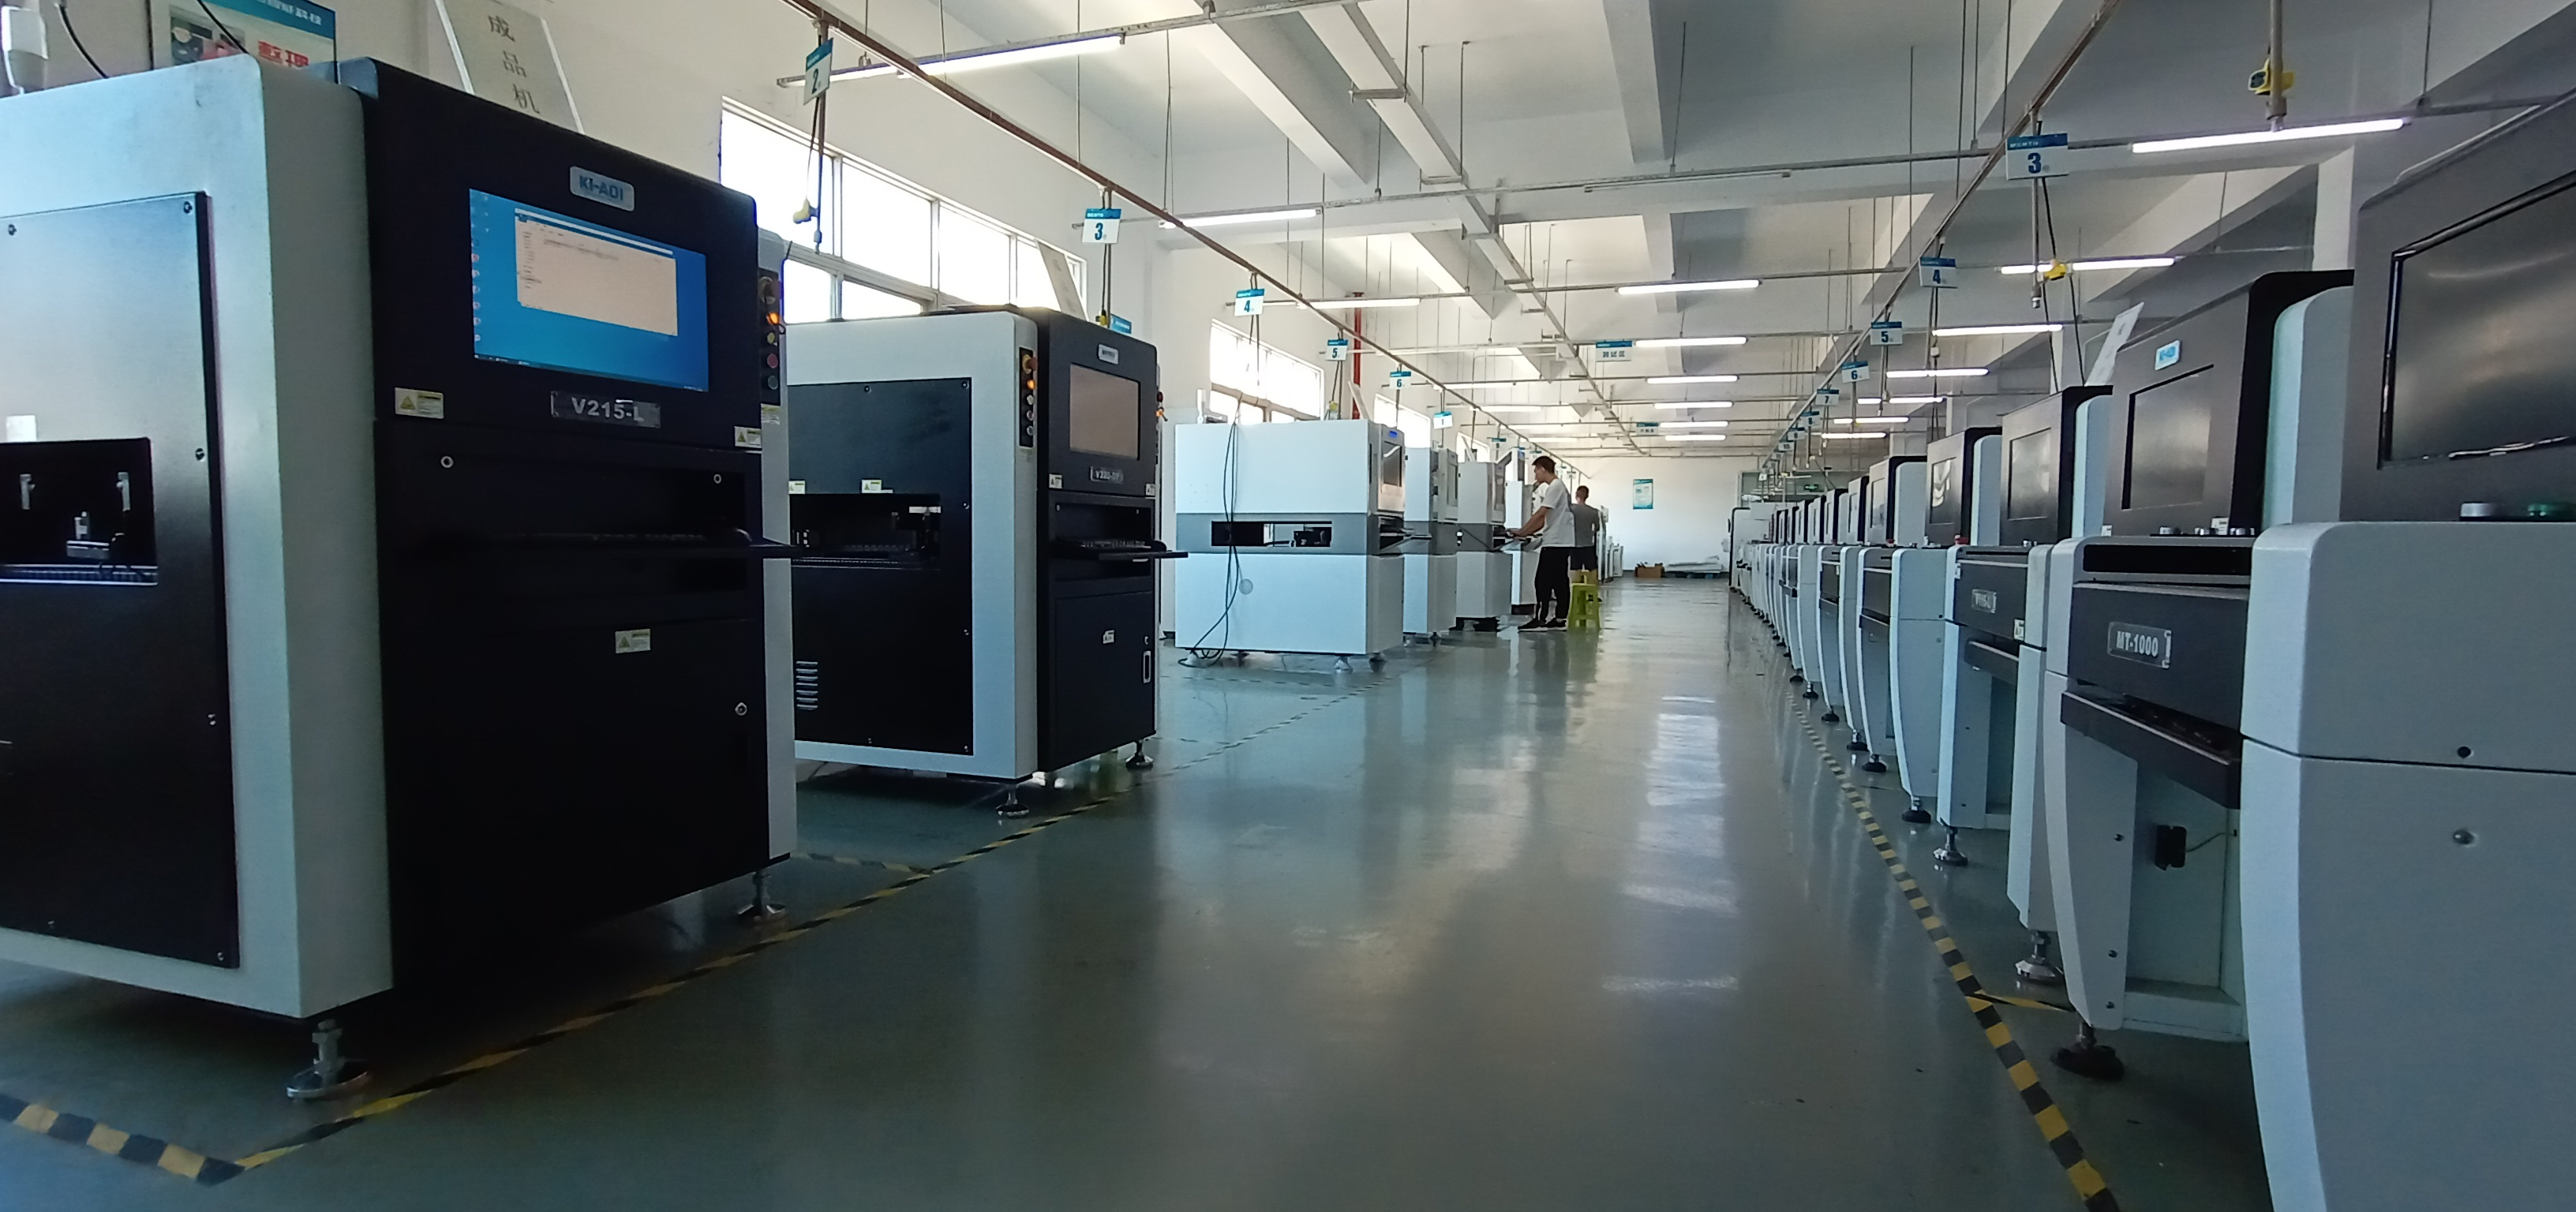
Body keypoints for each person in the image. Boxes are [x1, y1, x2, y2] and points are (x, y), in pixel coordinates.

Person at [1503, 456, 1579, 629]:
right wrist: (1525, 532)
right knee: (1559, 581)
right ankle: (1559, 619)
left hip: (1555, 542)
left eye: (1536, 470)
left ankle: (1540, 619)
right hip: (1561, 541)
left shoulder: (1555, 487)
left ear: (1542, 468)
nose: (1535, 474)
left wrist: (1522, 531)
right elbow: (1544, 519)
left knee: (1542, 581)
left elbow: (1540, 514)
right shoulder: (1559, 487)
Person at [1567, 485, 1603, 576]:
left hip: (1574, 545)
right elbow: (1597, 528)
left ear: (1576, 495)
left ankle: (1576, 584)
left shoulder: (1570, 510)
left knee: (1575, 570)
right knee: (1591, 571)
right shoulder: (1593, 512)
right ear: (1587, 496)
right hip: (1588, 545)